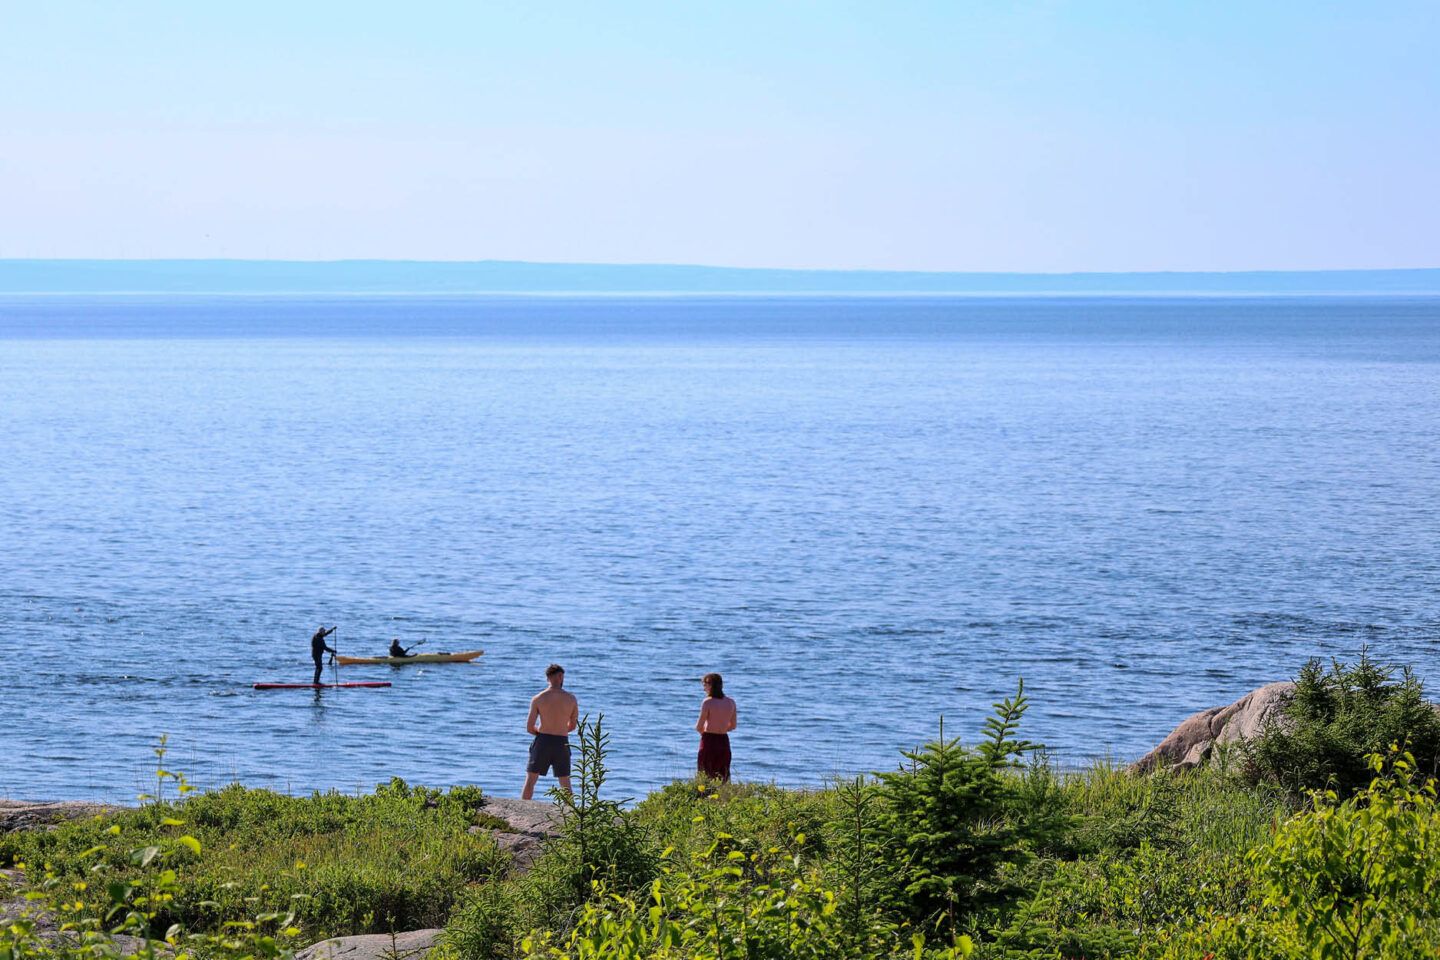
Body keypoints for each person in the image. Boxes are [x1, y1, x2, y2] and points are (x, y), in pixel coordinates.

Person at [522, 663, 578, 800]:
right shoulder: (571, 699)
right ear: (560, 677)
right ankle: (572, 814)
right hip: (561, 742)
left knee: (531, 780)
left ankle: (522, 807)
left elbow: (529, 727)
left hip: (543, 741)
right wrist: (559, 730)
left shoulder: (538, 698)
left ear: (548, 678)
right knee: (565, 782)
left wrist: (542, 732)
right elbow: (572, 726)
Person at [696, 672, 737, 782]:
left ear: (710, 685)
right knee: (723, 774)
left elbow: (699, 726)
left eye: (705, 685)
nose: (704, 689)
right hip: (723, 740)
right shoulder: (731, 702)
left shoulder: (707, 702)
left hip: (709, 739)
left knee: (705, 773)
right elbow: (733, 726)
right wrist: (722, 727)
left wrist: (705, 733)